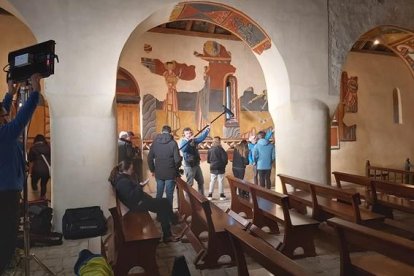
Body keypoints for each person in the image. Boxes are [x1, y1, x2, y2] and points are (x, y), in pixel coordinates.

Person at [0, 74, 42, 273]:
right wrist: (35, 91)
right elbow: (22, 116)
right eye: (4, 114)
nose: (6, 114)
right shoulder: (5, 133)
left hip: (5, 188)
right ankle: (4, 264)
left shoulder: (4, 132)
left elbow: (4, 111)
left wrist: (10, 93)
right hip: (6, 192)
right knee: (7, 231)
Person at [108, 160, 179, 242]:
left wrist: (139, 186)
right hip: (137, 206)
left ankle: (170, 223)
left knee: (163, 204)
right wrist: (140, 186)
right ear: (125, 170)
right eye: (131, 169)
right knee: (164, 204)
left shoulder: (121, 178)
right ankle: (169, 230)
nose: (133, 170)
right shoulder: (122, 182)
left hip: (139, 202)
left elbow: (132, 194)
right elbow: (133, 198)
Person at [147, 125, 182, 206]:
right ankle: (168, 214)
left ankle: (159, 213)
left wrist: (153, 170)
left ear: (161, 131)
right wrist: (176, 169)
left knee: (159, 193)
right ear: (170, 132)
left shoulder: (155, 143)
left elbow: (149, 158)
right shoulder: (173, 143)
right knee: (169, 194)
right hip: (170, 172)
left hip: (158, 172)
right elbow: (177, 160)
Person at [180, 126, 210, 195]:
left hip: (196, 164)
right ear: (184, 135)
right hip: (189, 166)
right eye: (187, 133)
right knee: (190, 183)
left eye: (190, 133)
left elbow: (201, 138)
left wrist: (207, 129)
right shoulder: (183, 141)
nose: (189, 134)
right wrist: (188, 141)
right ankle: (187, 200)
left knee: (201, 181)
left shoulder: (194, 140)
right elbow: (184, 150)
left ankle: (202, 198)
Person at [28, 134, 51, 199]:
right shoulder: (48, 147)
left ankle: (35, 190)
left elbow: (30, 159)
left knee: (34, 182)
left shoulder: (33, 148)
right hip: (46, 169)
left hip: (36, 169)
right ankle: (42, 197)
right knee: (44, 184)